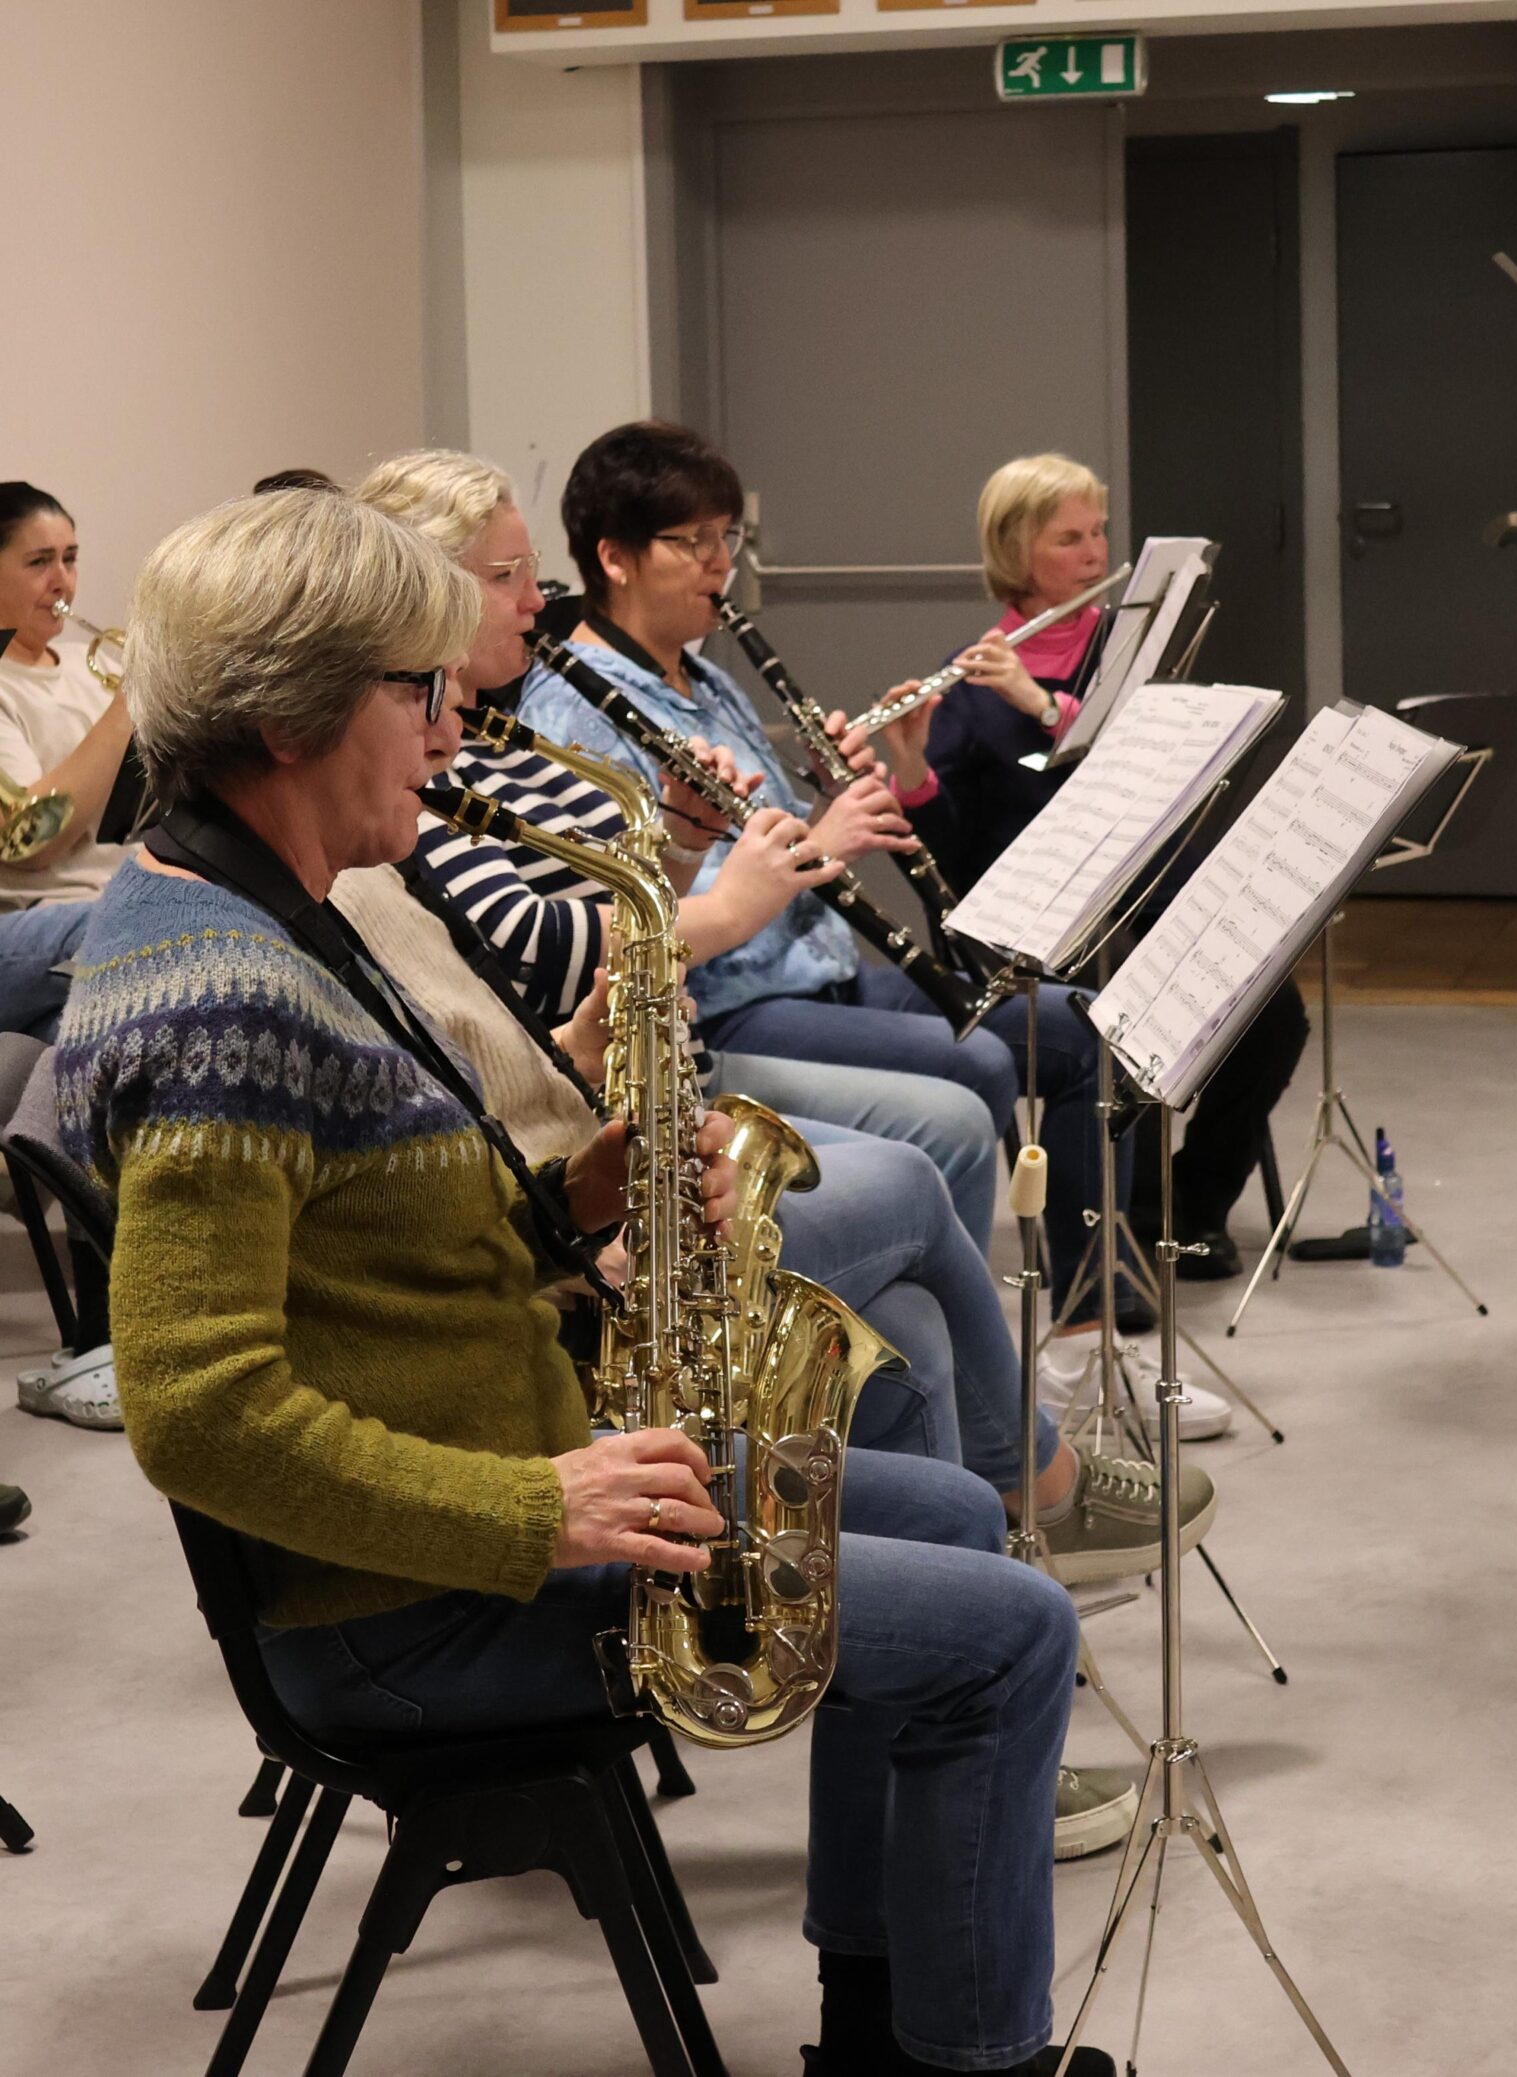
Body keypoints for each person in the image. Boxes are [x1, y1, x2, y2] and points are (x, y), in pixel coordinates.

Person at [65, 487, 1105, 2072]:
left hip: (497, 1492)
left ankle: (878, 2030)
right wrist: (534, 1511)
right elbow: (195, 1409)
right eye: (416, 693)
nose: (446, 729)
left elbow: (368, 1246)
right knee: (1013, 1634)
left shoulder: (284, 910)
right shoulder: (216, 993)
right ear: (288, 716)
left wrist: (568, 1200)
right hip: (421, 1602)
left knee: (960, 1515)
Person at [518, 424, 1170, 1367]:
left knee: (1071, 1028)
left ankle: (1083, 1317)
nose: (720, 565)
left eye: (727, 537)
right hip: (741, 1000)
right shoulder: (577, 711)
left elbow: (770, 835)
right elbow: (641, 909)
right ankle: (976, 1332)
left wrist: (863, 783)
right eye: (691, 543)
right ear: (613, 557)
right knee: (983, 1066)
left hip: (820, 960)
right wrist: (820, 841)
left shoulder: (699, 671)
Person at [874, 453, 1309, 1290]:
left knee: (1273, 1011)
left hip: (1146, 885)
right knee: (1125, 1015)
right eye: (1068, 538)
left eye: (1098, 532)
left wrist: (1045, 708)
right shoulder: (968, 681)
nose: (1092, 553)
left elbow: (1151, 764)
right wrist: (913, 769)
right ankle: (1120, 1233)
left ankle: (1189, 1206)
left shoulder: (1129, 650)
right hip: (1044, 921)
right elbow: (958, 864)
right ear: (1016, 551)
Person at [1, 483, 130, 1431]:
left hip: (86, 925)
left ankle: (107, 1331)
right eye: (39, 561)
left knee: (86, 1039)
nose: (64, 581)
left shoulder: (87, 665)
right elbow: (30, 839)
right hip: (21, 922)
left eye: (73, 558)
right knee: (126, 940)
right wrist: (131, 704)